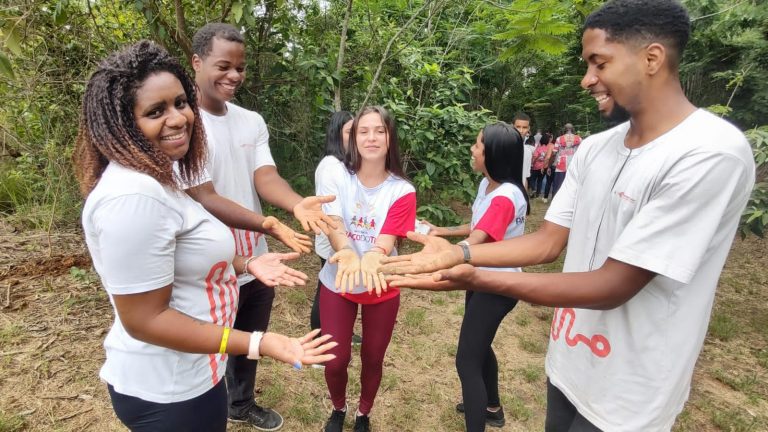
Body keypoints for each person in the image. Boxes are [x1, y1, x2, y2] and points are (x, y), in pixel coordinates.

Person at [381, 1, 755, 430]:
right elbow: (546, 242)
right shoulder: (597, 149)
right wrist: (460, 254)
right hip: (568, 361)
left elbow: (615, 285)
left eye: (599, 63)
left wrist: (474, 275)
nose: (587, 79)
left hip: (631, 390)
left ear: (652, 58)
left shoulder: (708, 152)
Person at [73, 40, 336, 432]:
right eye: (155, 111)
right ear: (124, 122)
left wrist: (246, 262)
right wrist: (260, 343)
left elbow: (177, 254)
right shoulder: (133, 196)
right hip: (167, 388)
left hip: (195, 372)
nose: (178, 118)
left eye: (180, 103)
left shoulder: (161, 177)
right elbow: (146, 320)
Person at [188, 23, 338, 431]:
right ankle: (204, 406)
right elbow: (204, 195)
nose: (234, 76)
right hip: (207, 257)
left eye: (240, 67)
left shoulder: (250, 121)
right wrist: (269, 222)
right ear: (197, 62)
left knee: (252, 333)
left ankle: (240, 402)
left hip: (258, 256)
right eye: (223, 66)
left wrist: (294, 203)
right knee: (210, 337)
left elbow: (265, 176)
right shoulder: (184, 123)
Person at [423, 122, 529, 431]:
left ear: (492, 153)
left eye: (478, 144)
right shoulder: (489, 184)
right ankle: (492, 408)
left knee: (466, 361)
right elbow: (478, 227)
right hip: (481, 278)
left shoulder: (505, 197)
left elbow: (477, 241)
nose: (472, 148)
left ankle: (480, 419)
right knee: (479, 347)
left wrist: (437, 259)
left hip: (497, 286)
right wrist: (441, 231)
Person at [317, 106, 416, 432]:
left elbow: (385, 240)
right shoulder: (336, 175)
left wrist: (373, 254)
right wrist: (345, 249)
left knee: (373, 358)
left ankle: (363, 413)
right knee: (335, 360)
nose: (371, 137)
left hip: (381, 285)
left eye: (379, 131)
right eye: (363, 131)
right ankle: (339, 407)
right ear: (352, 138)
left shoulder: (403, 190)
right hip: (338, 281)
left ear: (390, 138)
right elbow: (332, 223)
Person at [310, 111, 356, 338]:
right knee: (327, 287)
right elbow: (331, 208)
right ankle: (318, 337)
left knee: (343, 286)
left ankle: (343, 331)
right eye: (350, 131)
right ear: (337, 135)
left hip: (345, 238)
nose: (356, 136)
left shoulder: (346, 163)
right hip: (331, 238)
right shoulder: (330, 165)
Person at [550, 123, 581, 197]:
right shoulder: (579, 138)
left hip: (561, 165)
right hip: (575, 165)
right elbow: (582, 152)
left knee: (559, 184)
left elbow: (554, 152)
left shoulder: (559, 139)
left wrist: (550, 163)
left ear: (564, 129)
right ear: (572, 129)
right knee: (574, 184)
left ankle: (558, 199)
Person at [513, 113, 533, 191]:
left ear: (528, 128)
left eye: (524, 127)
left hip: (519, 193)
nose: (521, 131)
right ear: (512, 126)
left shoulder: (527, 152)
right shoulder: (503, 147)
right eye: (518, 127)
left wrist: (525, 200)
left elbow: (524, 177)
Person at [529, 132, 551, 199]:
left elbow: (535, 157)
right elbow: (548, 158)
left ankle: (533, 190)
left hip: (536, 167)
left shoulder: (538, 148)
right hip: (544, 167)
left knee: (532, 179)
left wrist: (532, 163)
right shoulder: (548, 149)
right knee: (540, 181)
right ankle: (538, 194)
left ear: (541, 141)